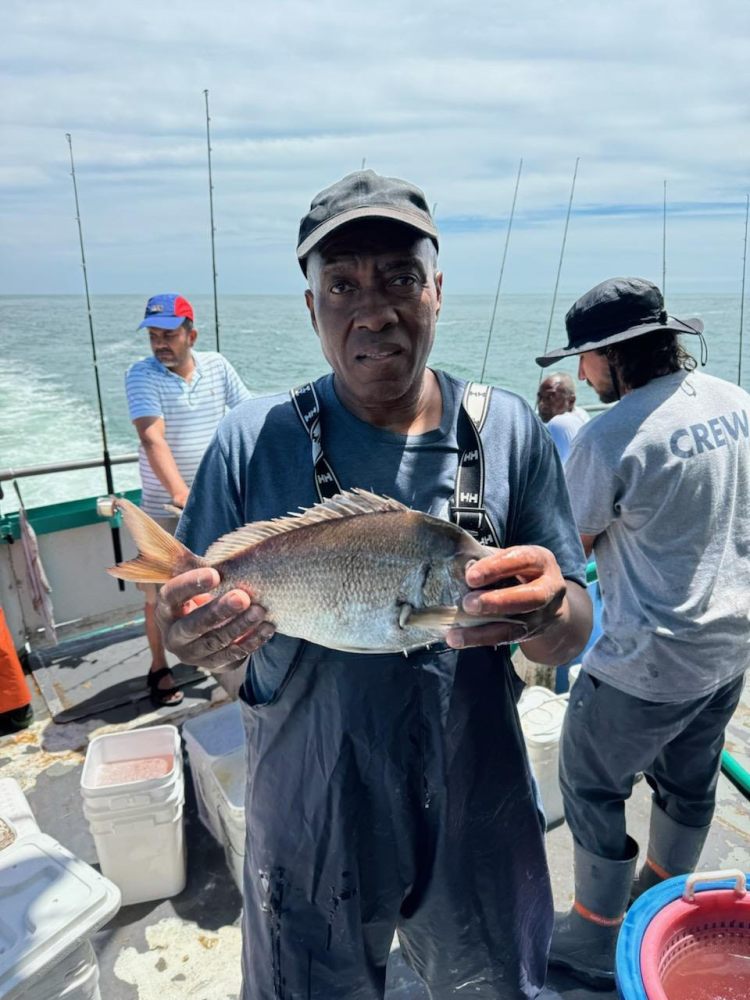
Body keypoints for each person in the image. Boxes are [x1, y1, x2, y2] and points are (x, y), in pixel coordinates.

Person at [156, 170, 592, 999]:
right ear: (312, 307)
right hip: (308, 812)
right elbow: (190, 624)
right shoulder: (249, 443)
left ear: (435, 289)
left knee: (495, 983)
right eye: (342, 284)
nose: (374, 307)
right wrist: (189, 633)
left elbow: (573, 624)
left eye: (398, 277)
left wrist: (548, 610)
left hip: (477, 803)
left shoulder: (508, 432)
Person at [536, 276, 750, 989]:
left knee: (591, 784)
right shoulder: (736, 402)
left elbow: (570, 549)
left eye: (583, 359)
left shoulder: (608, 436)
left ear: (611, 355)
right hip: (727, 656)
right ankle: (658, 896)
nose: (578, 374)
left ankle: (595, 942)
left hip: (645, 666)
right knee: (688, 785)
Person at [125, 294, 250, 705]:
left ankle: (221, 655)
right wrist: (182, 494)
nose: (161, 343)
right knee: (158, 595)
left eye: (170, 334)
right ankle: (159, 665)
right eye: (154, 336)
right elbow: (151, 436)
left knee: (219, 583)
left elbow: (248, 415)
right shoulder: (141, 375)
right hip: (165, 508)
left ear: (191, 334)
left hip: (219, 502)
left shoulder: (217, 366)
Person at [536, 370, 589, 462]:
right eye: (540, 397)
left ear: (571, 401)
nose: (542, 404)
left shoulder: (559, 423)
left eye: (550, 397)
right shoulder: (581, 416)